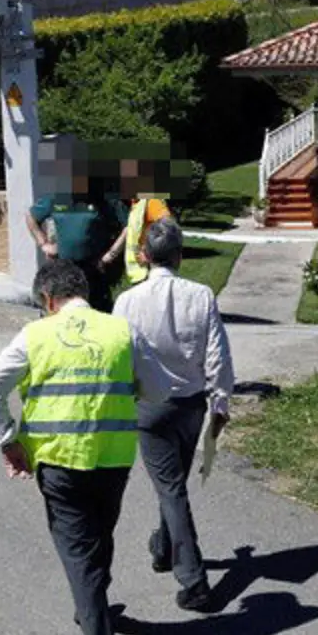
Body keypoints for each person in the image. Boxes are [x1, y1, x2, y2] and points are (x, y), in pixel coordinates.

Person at [0, 259, 169, 635]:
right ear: (84, 290)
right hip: (113, 460)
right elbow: (158, 389)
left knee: (79, 552)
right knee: (99, 539)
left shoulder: (36, 335)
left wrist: (7, 440)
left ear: (47, 300)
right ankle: (92, 608)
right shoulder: (122, 331)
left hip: (60, 462)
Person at [112, 218, 234, 613]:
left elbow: (118, 358)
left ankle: (194, 580)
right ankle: (165, 547)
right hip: (191, 404)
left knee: (171, 488)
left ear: (144, 256)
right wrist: (220, 402)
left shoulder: (127, 301)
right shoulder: (201, 295)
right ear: (180, 256)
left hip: (149, 405)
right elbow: (218, 354)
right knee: (173, 485)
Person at [25, 185, 127, 313]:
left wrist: (111, 254)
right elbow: (31, 216)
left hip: (94, 270)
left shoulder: (106, 199)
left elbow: (128, 226)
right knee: (64, 312)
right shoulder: (57, 197)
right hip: (64, 270)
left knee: (97, 313)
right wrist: (43, 244)